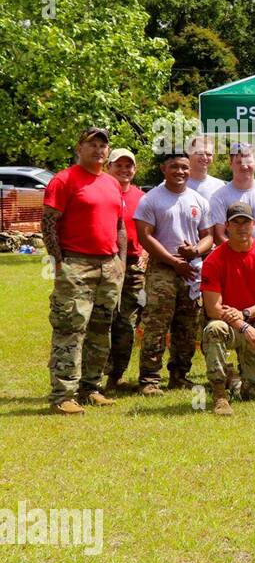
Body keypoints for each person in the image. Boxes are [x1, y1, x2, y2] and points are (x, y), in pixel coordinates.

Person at [42, 126, 127, 414]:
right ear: (79, 148)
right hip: (75, 263)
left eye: (103, 145)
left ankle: (91, 388)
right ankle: (63, 395)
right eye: (92, 144)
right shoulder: (63, 180)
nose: (99, 150)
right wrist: (58, 263)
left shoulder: (112, 183)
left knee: (101, 330)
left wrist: (121, 262)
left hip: (108, 265)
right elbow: (49, 223)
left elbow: (120, 226)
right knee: (71, 328)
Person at [133, 151, 212, 395]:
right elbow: (144, 235)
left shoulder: (198, 200)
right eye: (174, 167)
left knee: (187, 326)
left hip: (190, 271)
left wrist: (196, 250)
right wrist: (172, 260)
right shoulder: (152, 199)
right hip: (162, 270)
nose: (180, 172)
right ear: (163, 169)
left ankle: (179, 375)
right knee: (157, 324)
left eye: (184, 168)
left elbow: (208, 235)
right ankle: (150, 380)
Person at [199, 202, 255, 415]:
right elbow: (212, 308)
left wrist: (247, 314)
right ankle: (219, 395)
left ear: (254, 224)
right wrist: (243, 326)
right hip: (230, 326)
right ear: (227, 226)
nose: (241, 227)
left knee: (254, 395)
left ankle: (235, 379)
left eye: (245, 222)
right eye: (235, 222)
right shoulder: (214, 259)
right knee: (214, 328)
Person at [105, 148, 147, 392]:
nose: (124, 170)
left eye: (128, 165)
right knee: (100, 320)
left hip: (133, 266)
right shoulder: (101, 191)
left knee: (126, 321)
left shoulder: (142, 197)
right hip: (104, 262)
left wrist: (145, 256)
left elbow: (150, 232)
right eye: (118, 165)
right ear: (108, 167)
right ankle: (92, 375)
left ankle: (116, 375)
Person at [185, 135, 225, 203]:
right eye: (200, 153)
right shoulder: (176, 184)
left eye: (209, 154)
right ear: (189, 154)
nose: (205, 157)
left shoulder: (220, 186)